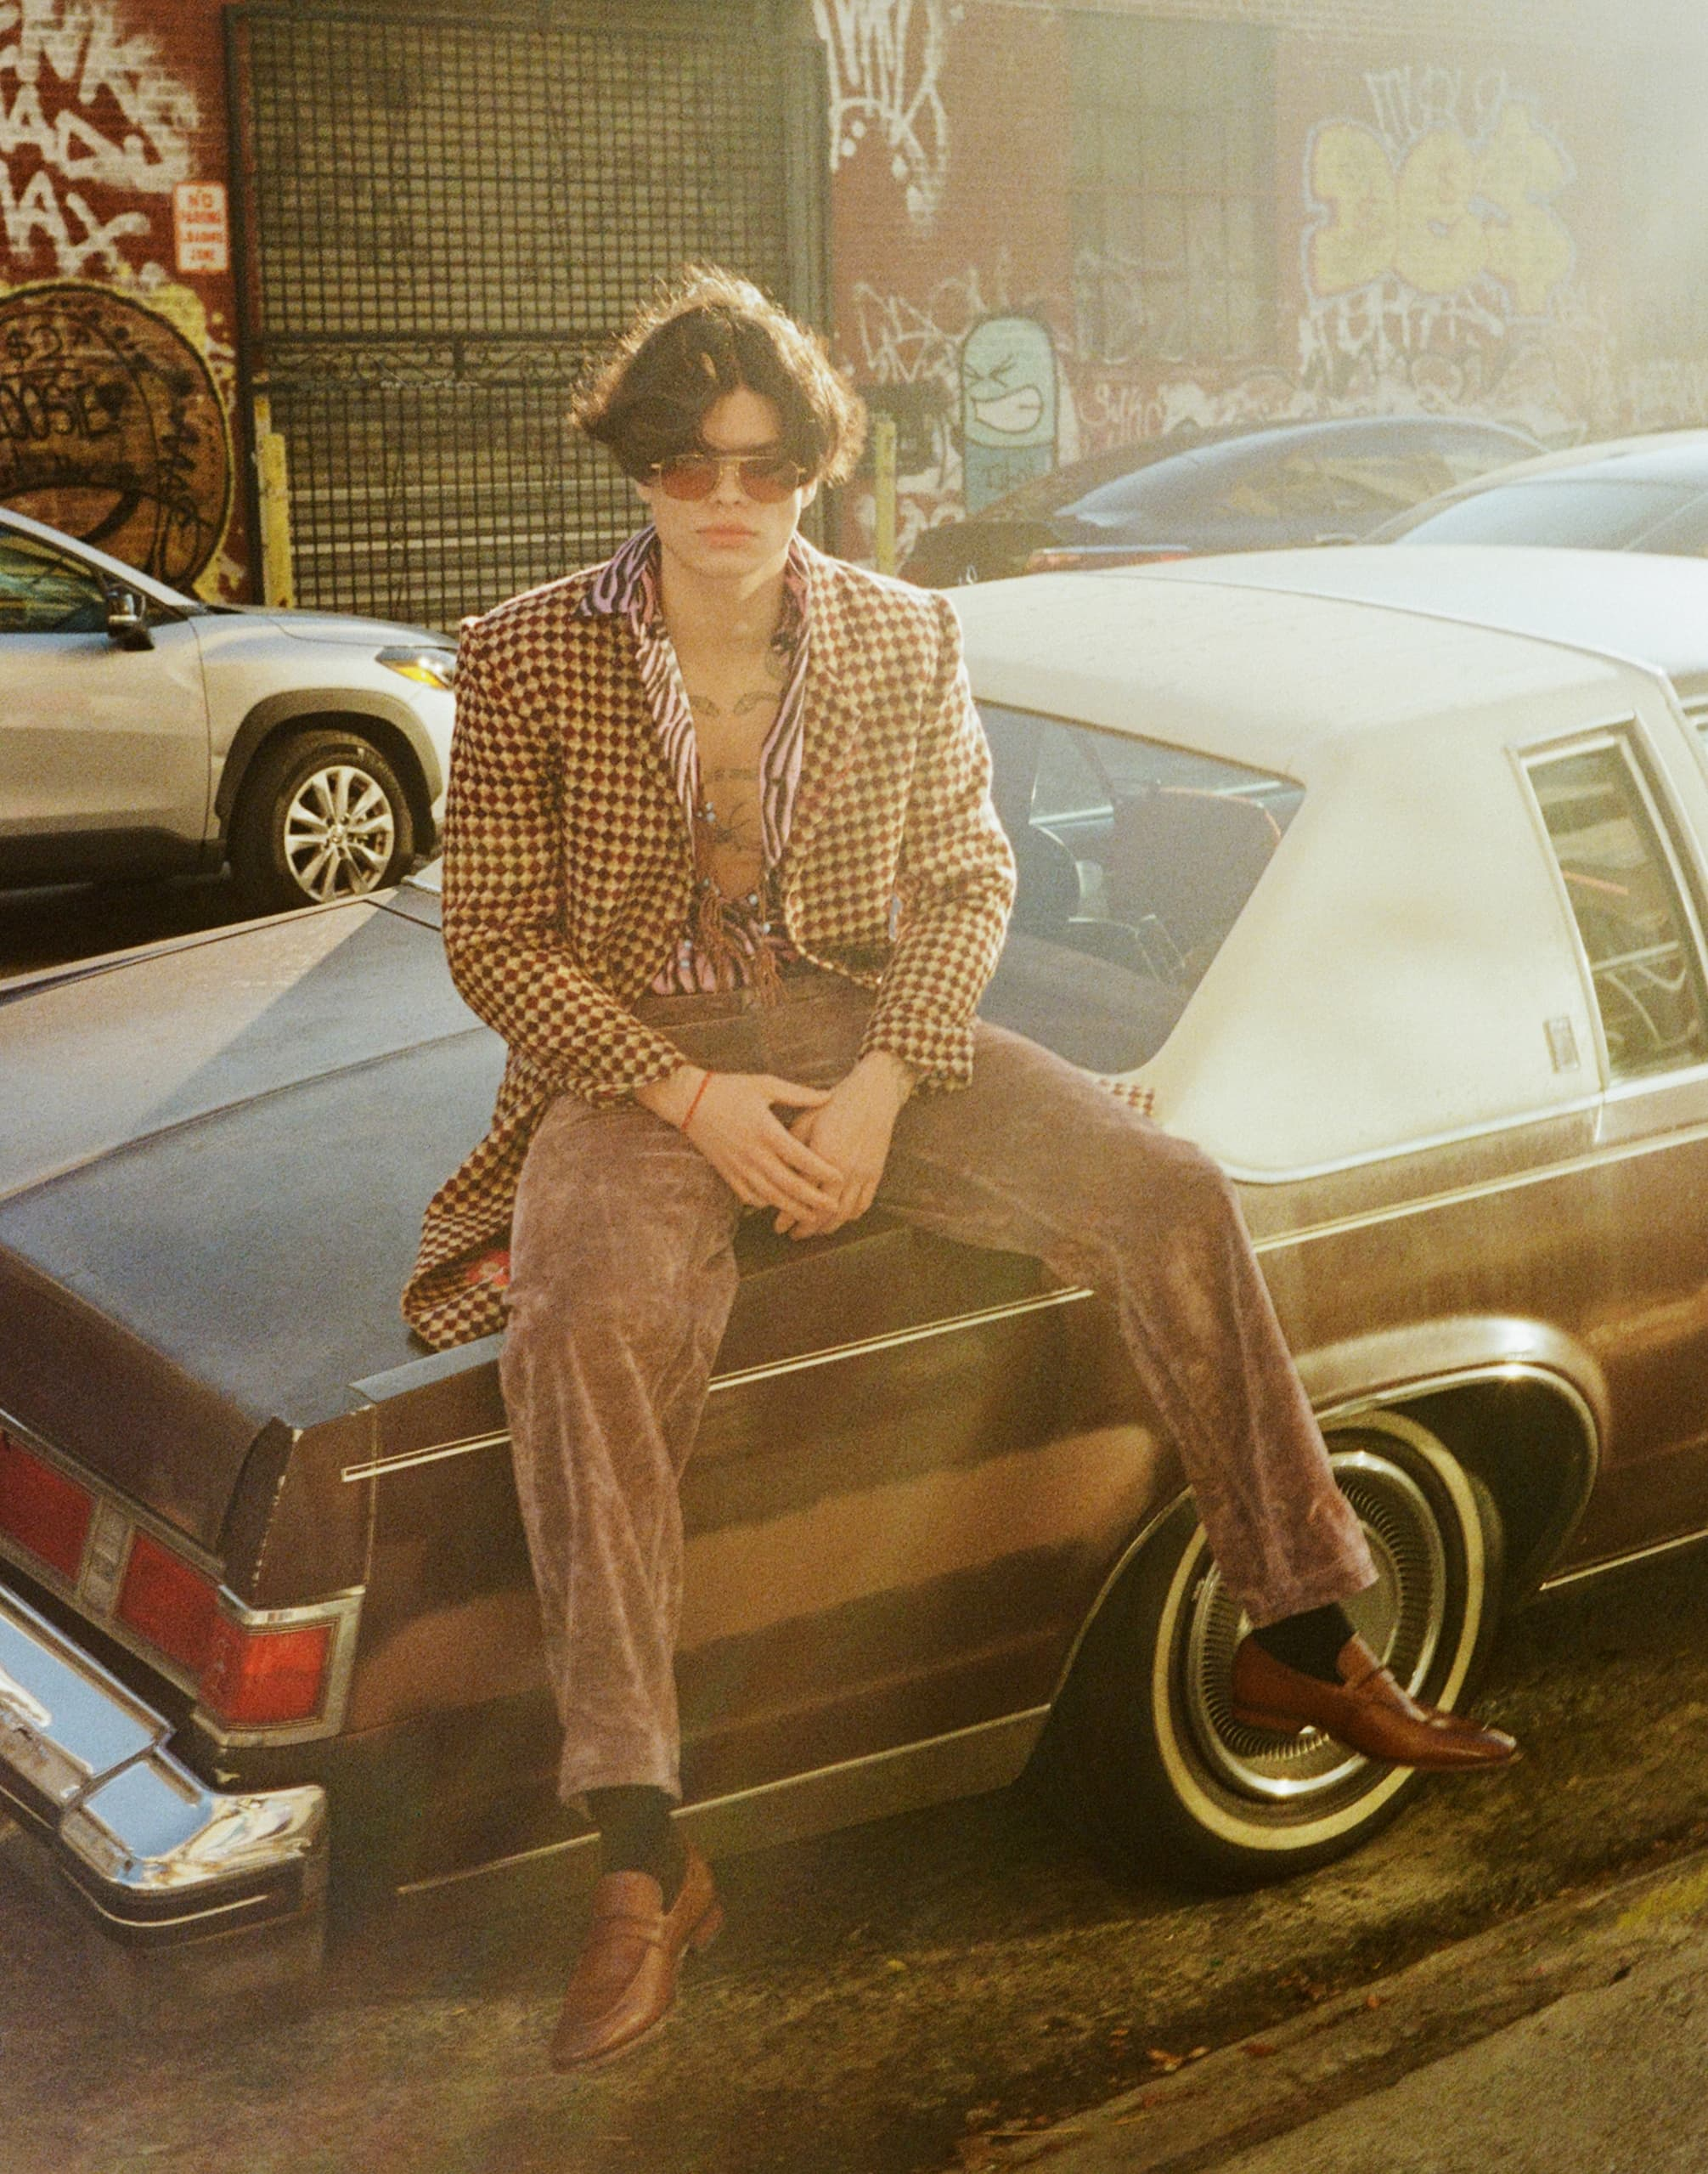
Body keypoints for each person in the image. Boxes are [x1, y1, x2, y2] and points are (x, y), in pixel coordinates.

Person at [403, 267, 1517, 2073]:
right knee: (584, 1327)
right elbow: (499, 944)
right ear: (638, 475)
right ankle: (639, 1847)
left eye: (765, 466)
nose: (728, 500)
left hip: (870, 1037)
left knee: (1172, 1191)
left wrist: (879, 1089)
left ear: (815, 474)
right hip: (636, 1074)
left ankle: (1301, 1627)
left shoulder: (905, 638)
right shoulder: (526, 650)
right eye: (688, 465)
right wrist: (691, 1102)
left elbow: (973, 880)